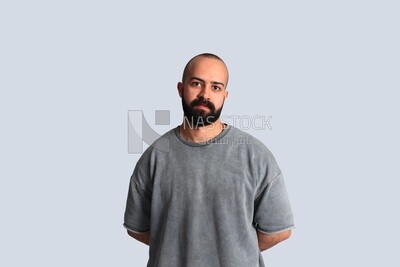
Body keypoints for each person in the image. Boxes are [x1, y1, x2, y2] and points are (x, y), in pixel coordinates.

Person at [124, 53, 294, 267]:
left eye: (216, 87)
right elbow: (137, 228)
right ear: (180, 88)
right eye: (197, 83)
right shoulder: (154, 157)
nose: (205, 94)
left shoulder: (255, 156)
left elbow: (279, 231)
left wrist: (233, 249)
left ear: (225, 95)